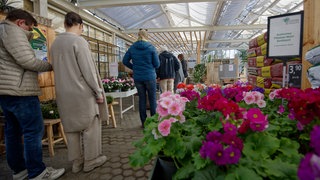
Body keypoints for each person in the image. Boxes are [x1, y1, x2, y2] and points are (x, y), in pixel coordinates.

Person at [0, 9, 65, 180]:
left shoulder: (2, 30)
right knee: (33, 130)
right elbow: (27, 61)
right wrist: (52, 66)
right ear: (21, 22)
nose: (29, 32)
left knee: (12, 131)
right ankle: (37, 172)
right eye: (29, 28)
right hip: (21, 91)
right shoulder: (12, 31)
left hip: (6, 90)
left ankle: (20, 171)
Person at [50, 12, 108, 173]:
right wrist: (97, 92)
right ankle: (91, 160)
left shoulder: (55, 43)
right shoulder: (79, 41)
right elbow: (88, 71)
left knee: (71, 129)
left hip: (63, 93)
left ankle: (77, 163)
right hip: (82, 92)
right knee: (90, 126)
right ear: (80, 25)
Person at [122, 29, 160, 128]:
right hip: (150, 76)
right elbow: (157, 64)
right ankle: (153, 122)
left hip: (138, 77)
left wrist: (134, 67)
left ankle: (143, 122)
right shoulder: (151, 48)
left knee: (142, 99)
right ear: (146, 36)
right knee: (152, 99)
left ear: (138, 36)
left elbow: (125, 61)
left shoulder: (132, 48)